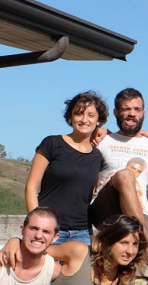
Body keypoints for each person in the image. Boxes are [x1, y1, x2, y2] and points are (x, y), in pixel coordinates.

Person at [88, 88, 148, 255]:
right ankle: (144, 241)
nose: (132, 113)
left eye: (137, 109)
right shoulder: (102, 141)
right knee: (124, 175)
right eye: (126, 109)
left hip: (140, 211)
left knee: (133, 268)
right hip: (105, 209)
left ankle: (140, 239)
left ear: (143, 113)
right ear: (116, 112)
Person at [26, 90, 107, 245]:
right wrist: (37, 226)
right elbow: (31, 187)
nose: (84, 119)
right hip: (49, 230)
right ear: (70, 117)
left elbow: (89, 197)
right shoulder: (52, 144)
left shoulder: (97, 156)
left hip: (82, 233)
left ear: (98, 121)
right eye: (79, 114)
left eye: (91, 115)